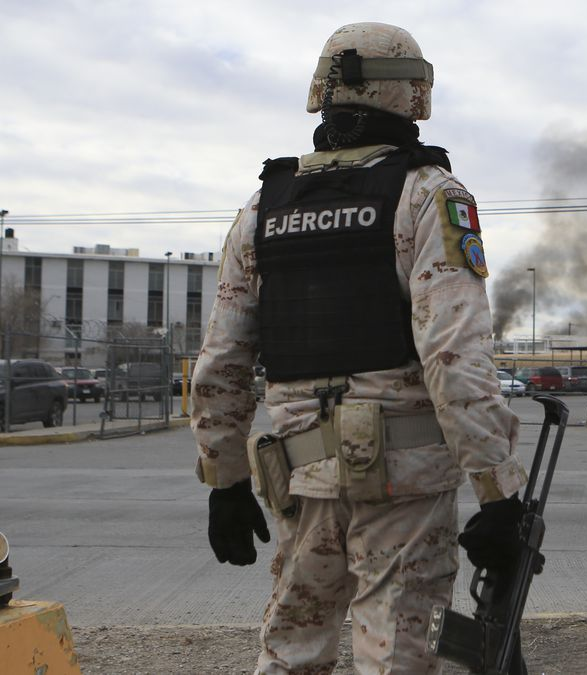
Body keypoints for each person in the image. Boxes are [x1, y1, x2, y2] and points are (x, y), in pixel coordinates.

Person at [191, 22, 526, 674]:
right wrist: (498, 490)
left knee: (290, 649)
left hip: (298, 472)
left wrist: (224, 482)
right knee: (400, 655)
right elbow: (454, 357)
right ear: (412, 96)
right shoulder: (429, 195)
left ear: (325, 92)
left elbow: (221, 364)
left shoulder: (262, 208)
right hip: (403, 481)